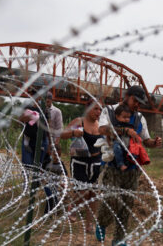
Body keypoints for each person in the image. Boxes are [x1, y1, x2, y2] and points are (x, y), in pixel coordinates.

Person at [95, 85, 162, 246]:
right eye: (135, 101)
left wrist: (153, 142)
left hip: (133, 168)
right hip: (112, 166)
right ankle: (102, 222)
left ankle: (119, 239)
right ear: (127, 96)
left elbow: (144, 140)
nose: (137, 105)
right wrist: (124, 131)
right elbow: (102, 129)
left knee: (126, 204)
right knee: (112, 199)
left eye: (140, 103)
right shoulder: (109, 111)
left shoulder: (140, 118)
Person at [60, 99, 103, 232]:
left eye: (100, 109)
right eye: (95, 109)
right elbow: (62, 134)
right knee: (83, 191)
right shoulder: (79, 121)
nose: (98, 112)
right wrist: (73, 133)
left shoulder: (100, 125)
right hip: (80, 161)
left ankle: (89, 224)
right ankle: (72, 207)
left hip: (96, 162)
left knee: (94, 194)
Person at [109, 103, 150, 170]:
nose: (127, 119)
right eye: (124, 117)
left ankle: (139, 164)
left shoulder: (131, 125)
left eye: (128, 117)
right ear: (117, 116)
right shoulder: (115, 124)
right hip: (119, 143)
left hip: (129, 144)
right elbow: (110, 132)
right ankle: (120, 164)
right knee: (117, 148)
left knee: (136, 150)